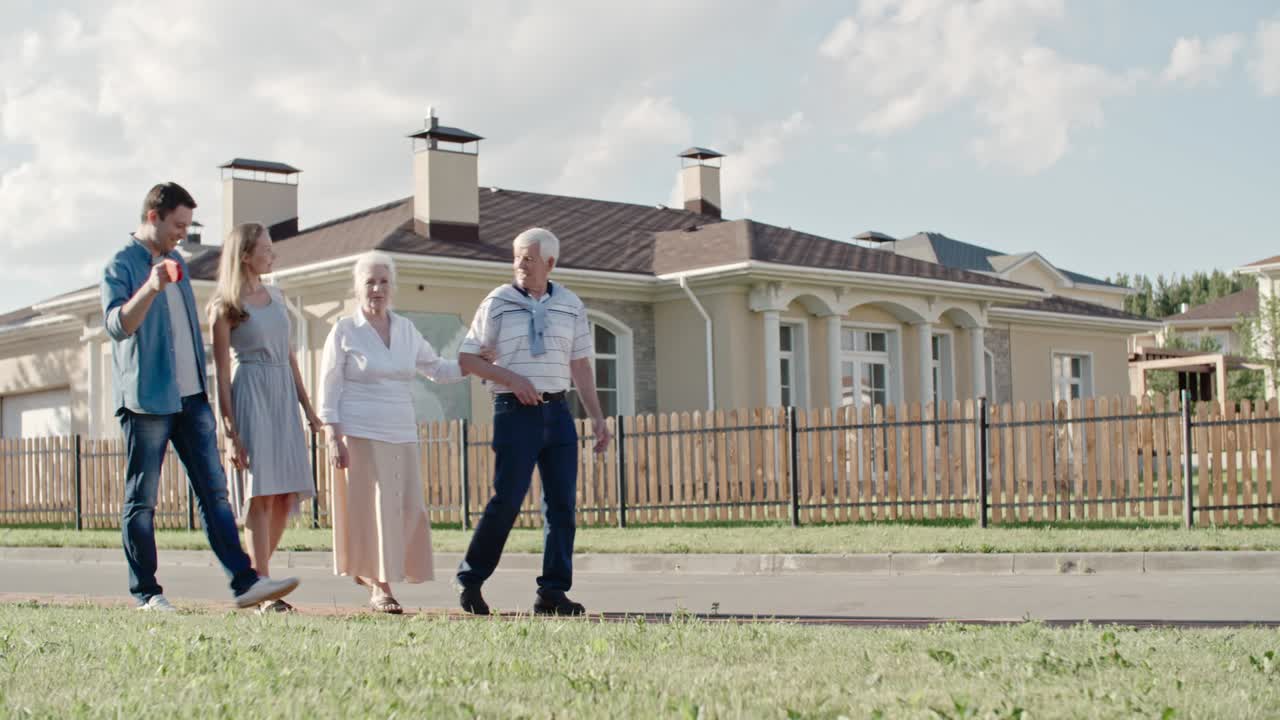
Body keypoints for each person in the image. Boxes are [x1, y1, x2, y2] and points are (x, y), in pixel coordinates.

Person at [101, 182, 300, 611]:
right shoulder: (121, 265)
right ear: (152, 217)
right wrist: (150, 287)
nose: (183, 234)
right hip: (146, 401)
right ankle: (147, 593)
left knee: (215, 495)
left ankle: (246, 582)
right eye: (178, 225)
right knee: (142, 500)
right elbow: (117, 326)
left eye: (187, 225)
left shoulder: (178, 262)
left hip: (191, 397)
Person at [454, 227, 612, 617]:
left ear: (550, 263)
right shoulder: (498, 302)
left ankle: (553, 593)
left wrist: (597, 417)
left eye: (528, 258)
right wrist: (512, 379)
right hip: (513, 413)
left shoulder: (571, 305)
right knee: (507, 499)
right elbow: (467, 358)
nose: (519, 265)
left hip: (558, 414)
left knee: (562, 506)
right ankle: (470, 581)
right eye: (516, 257)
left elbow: (580, 365)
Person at [318, 251, 482, 614]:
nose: (377, 289)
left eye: (383, 282)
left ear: (392, 287)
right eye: (370, 282)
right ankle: (380, 588)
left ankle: (375, 574)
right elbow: (328, 387)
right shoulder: (345, 330)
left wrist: (476, 362)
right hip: (360, 432)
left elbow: (438, 369)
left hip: (402, 431)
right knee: (373, 510)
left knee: (405, 509)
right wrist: (332, 436)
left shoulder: (406, 329)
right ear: (357, 288)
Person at [208, 222, 320, 613]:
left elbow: (290, 356)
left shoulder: (276, 295)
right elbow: (222, 374)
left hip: (282, 394)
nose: (273, 255)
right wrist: (230, 431)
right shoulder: (225, 307)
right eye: (266, 249)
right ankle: (264, 592)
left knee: (286, 493)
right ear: (245, 256)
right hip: (251, 393)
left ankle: (255, 580)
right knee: (263, 492)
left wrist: (307, 408)